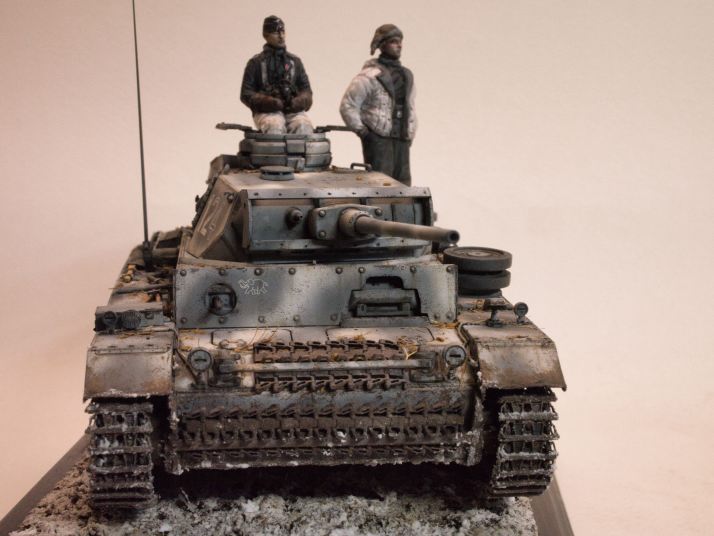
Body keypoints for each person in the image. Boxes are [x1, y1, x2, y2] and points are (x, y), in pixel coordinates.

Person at [340, 24, 416, 185]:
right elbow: (348, 105)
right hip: (379, 138)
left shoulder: (407, 75)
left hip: (402, 137)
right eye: (394, 41)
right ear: (382, 45)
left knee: (403, 183)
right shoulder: (369, 76)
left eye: (400, 41)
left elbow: (410, 106)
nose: (399, 45)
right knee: (379, 183)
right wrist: (363, 132)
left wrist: (410, 132)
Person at [240, 16, 313, 134]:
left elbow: (306, 90)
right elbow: (246, 94)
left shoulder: (295, 62)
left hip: (293, 111)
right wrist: (267, 102)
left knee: (304, 126)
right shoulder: (256, 63)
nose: (281, 36)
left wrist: (299, 101)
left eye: (283, 31)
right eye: (275, 32)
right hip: (267, 112)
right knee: (274, 126)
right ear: (266, 35)